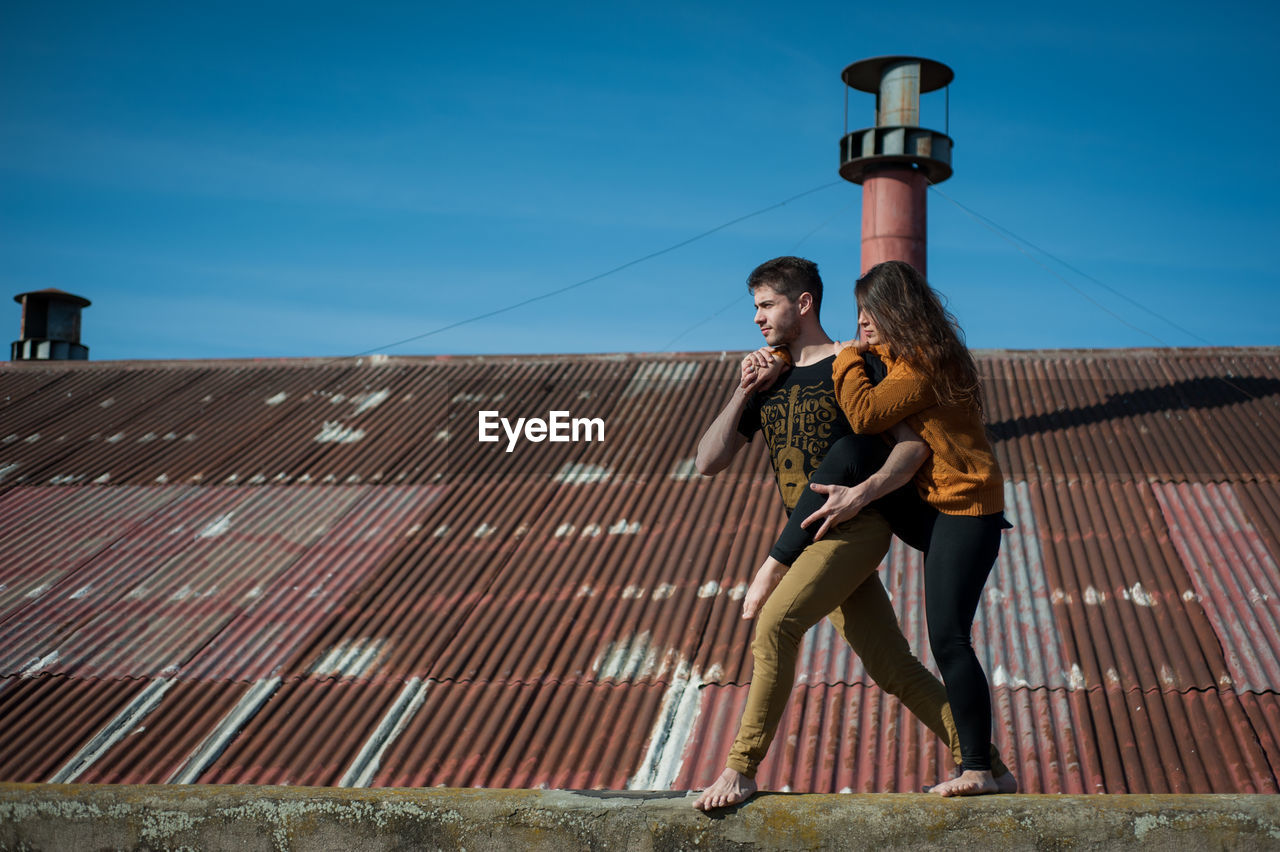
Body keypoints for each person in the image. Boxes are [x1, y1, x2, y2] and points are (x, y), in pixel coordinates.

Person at [691, 256, 1014, 811]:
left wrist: (859, 496)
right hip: (809, 536)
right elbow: (707, 461)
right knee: (893, 667)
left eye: (766, 305)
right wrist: (743, 390)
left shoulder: (858, 365)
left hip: (855, 528)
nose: (757, 319)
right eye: (755, 308)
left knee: (775, 625)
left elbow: (912, 446)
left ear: (803, 303)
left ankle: (740, 769)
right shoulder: (770, 374)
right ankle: (985, 764)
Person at [783, 258, 1014, 798]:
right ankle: (830, 534)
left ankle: (981, 769)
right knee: (852, 454)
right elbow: (870, 402)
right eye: (858, 313)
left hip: (964, 512)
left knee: (949, 638)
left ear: (899, 311)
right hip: (931, 503)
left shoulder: (927, 365)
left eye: (871, 313)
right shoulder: (896, 356)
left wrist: (843, 359)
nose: (861, 323)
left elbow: (865, 412)